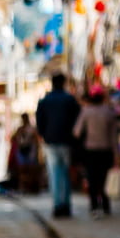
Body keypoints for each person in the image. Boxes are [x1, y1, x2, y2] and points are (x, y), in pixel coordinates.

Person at [35, 74, 81, 218]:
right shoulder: (70, 100)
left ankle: (57, 205)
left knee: (54, 174)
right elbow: (77, 120)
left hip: (51, 142)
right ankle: (66, 205)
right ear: (63, 83)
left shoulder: (44, 101)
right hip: (66, 142)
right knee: (65, 173)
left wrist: (44, 135)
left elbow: (39, 122)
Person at [73, 89, 119, 217]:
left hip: (91, 151)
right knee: (104, 179)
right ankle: (106, 205)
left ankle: (94, 206)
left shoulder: (86, 112)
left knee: (92, 179)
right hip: (106, 150)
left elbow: (76, 132)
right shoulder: (109, 112)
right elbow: (114, 137)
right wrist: (116, 155)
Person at [9, 113, 41, 194]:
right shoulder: (20, 129)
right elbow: (14, 138)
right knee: (22, 170)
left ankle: (30, 187)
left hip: (30, 151)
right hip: (22, 151)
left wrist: (36, 152)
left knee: (30, 170)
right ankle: (22, 187)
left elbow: (36, 141)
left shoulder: (32, 129)